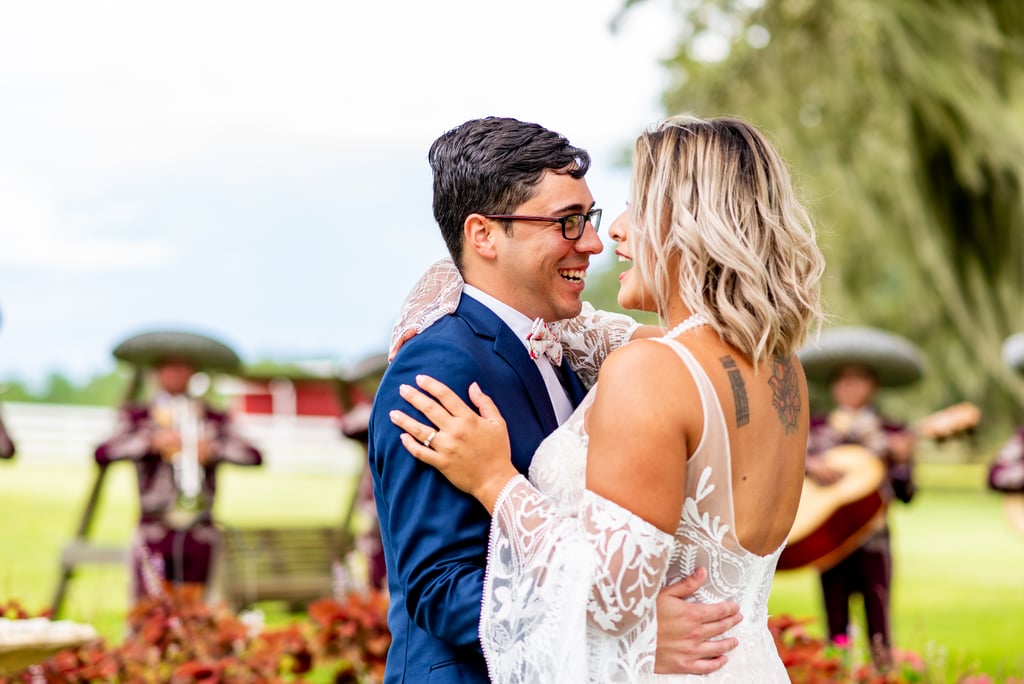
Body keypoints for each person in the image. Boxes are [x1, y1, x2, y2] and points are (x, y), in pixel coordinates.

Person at [387, 115, 825, 681]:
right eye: (576, 221)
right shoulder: (777, 367)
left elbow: (614, 603)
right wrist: (452, 279)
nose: (610, 234)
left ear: (687, 224)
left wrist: (496, 481)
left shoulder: (651, 369)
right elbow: (569, 321)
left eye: (635, 209)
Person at [94, 331, 262, 601]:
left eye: (182, 368)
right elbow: (104, 452)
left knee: (197, 608)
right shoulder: (138, 415)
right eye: (169, 367)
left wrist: (212, 449)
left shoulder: (212, 417)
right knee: (150, 606)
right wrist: (152, 442)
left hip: (200, 531)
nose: (175, 374)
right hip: (154, 527)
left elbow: (253, 456)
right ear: (158, 372)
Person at [798, 326, 924, 671]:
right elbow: (789, 473)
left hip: (873, 539)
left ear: (873, 385)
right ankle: (836, 673)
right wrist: (809, 465)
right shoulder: (814, 429)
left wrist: (900, 463)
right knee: (834, 616)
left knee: (878, 616)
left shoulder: (893, 432)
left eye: (859, 380)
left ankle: (883, 673)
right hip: (827, 538)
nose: (850, 387)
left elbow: (907, 494)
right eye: (844, 380)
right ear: (834, 385)